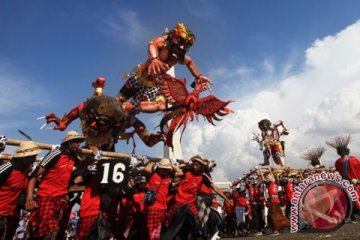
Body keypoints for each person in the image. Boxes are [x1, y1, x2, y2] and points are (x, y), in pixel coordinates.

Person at [116, 22, 212, 114]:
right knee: (118, 101)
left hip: (153, 86)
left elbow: (189, 62)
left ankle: (131, 107)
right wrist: (154, 59)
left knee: (161, 105)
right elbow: (152, 44)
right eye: (180, 41)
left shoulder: (178, 57)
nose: (182, 47)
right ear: (174, 34)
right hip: (139, 78)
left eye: (186, 46)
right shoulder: (163, 43)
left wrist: (198, 77)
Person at [26, 130, 85, 240]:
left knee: (46, 231)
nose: (78, 145)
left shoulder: (74, 158)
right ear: (68, 143)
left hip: (61, 199)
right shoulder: (55, 154)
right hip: (46, 197)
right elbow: (33, 176)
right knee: (51, 229)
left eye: (79, 142)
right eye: (75, 142)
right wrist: (29, 198)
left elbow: (81, 169)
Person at [163, 155, 230, 240]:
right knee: (173, 229)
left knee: (197, 227)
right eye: (194, 164)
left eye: (197, 165)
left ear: (201, 166)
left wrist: (226, 198)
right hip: (179, 204)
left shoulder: (203, 176)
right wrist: (170, 162)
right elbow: (177, 172)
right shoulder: (186, 172)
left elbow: (215, 188)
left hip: (190, 205)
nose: (195, 166)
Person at [0, 141, 42, 239]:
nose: (35, 159)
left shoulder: (24, 174)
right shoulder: (7, 168)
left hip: (10, 216)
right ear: (25, 157)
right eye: (33, 157)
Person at [143, 158, 183, 240]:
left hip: (163, 208)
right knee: (151, 232)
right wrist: (152, 162)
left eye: (167, 169)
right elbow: (146, 169)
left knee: (158, 232)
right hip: (152, 207)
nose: (165, 171)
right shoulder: (153, 173)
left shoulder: (168, 176)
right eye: (163, 169)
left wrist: (170, 164)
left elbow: (180, 173)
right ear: (159, 168)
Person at [326, 135, 360, 219]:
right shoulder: (354, 159)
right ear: (347, 151)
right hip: (357, 184)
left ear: (339, 153)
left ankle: (352, 216)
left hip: (346, 185)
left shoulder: (337, 162)